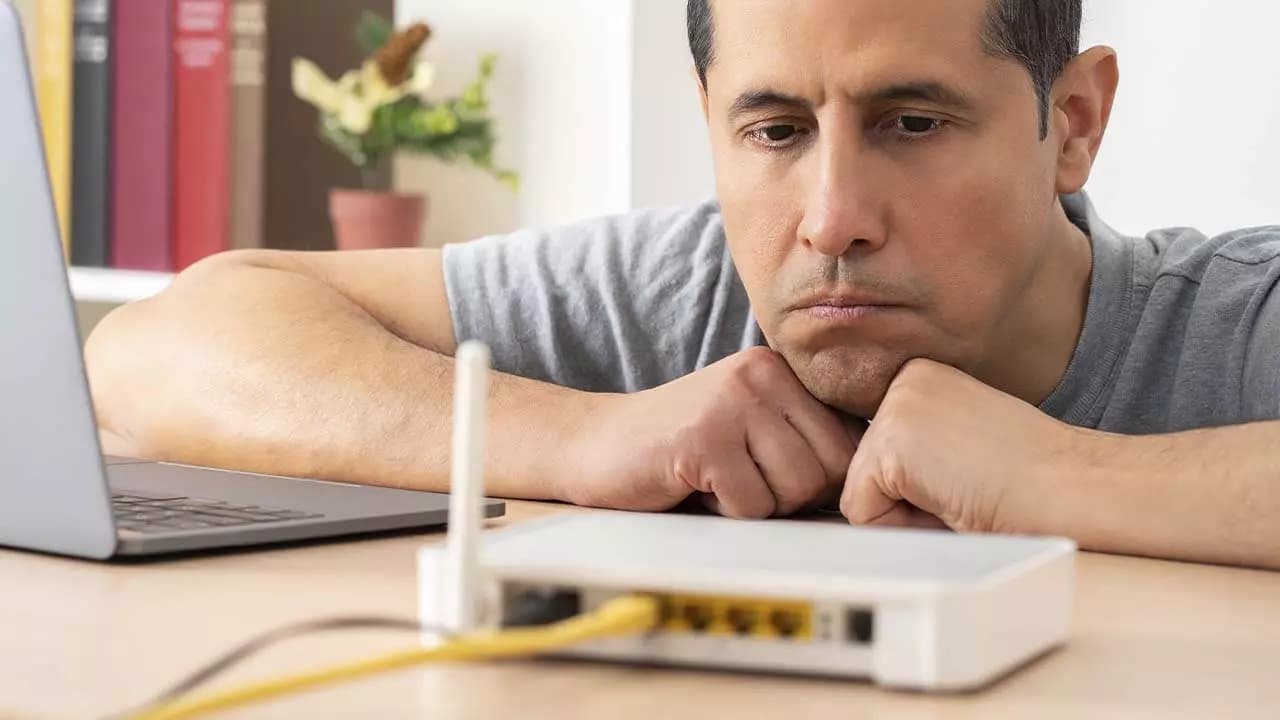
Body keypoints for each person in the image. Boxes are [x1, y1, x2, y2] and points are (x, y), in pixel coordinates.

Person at [86, 0, 1280, 569]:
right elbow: (157, 346)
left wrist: (1047, 474)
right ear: (709, 122)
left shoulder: (1231, 319)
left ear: (1069, 124)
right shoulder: (673, 291)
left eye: (911, 122)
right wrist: (587, 439)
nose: (830, 222)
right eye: (770, 132)